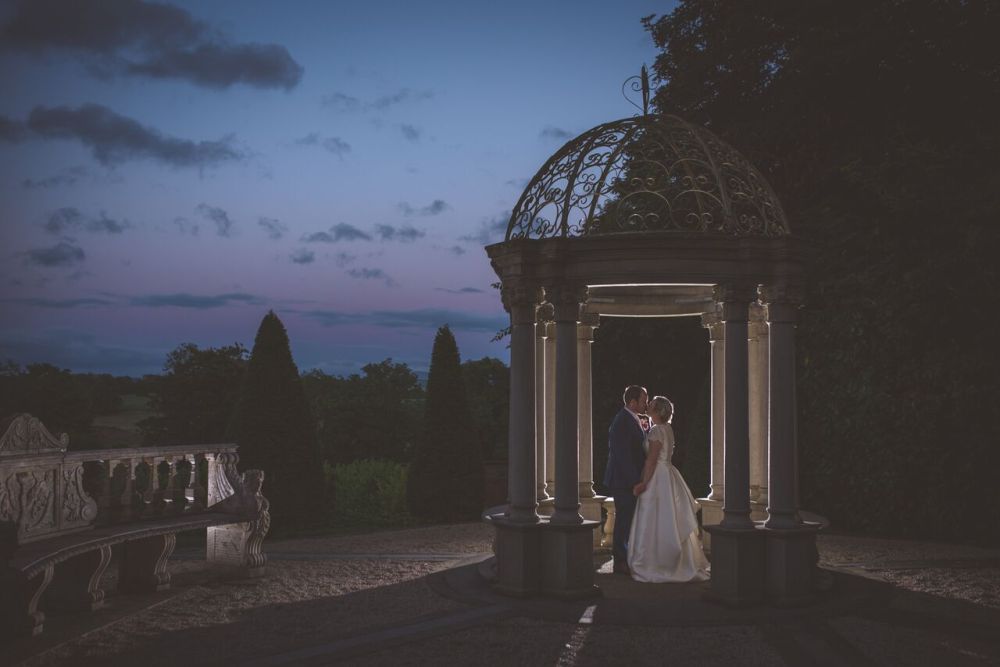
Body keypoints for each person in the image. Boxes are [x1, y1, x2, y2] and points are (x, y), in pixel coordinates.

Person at [628, 395, 709, 583]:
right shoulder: (668, 429)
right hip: (669, 474)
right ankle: (674, 560)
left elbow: (652, 460)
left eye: (652, 405)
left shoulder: (656, 430)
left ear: (657, 411)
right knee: (669, 517)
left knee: (654, 517)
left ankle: (655, 563)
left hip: (658, 476)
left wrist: (644, 483)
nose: (648, 406)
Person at [603, 385, 648, 574]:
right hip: (622, 481)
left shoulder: (632, 419)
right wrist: (635, 481)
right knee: (623, 520)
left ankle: (626, 558)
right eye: (644, 400)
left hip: (626, 479)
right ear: (632, 402)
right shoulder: (622, 421)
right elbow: (622, 455)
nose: (646, 403)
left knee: (628, 520)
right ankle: (620, 561)